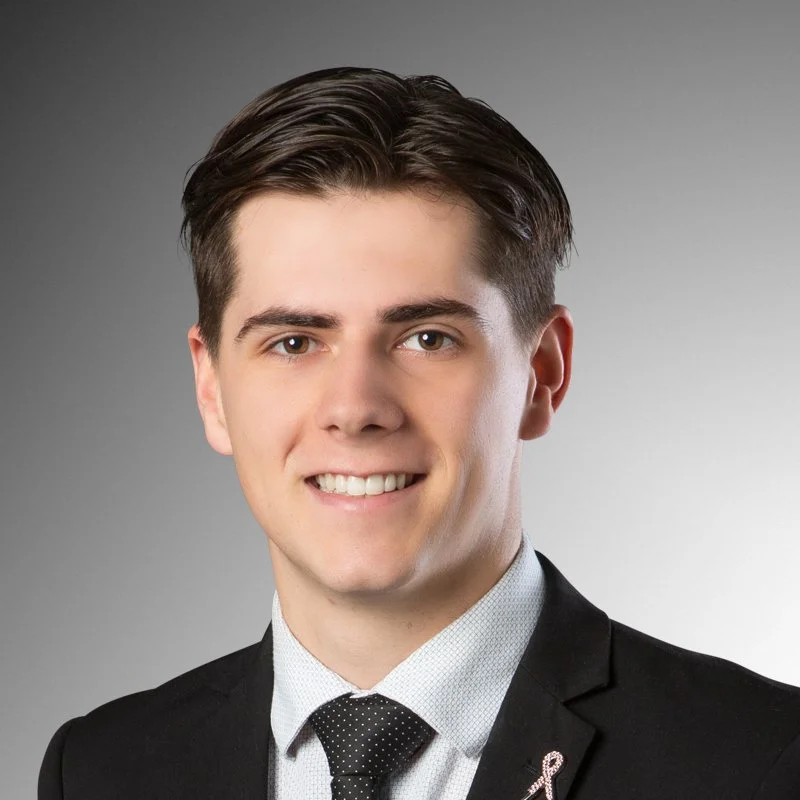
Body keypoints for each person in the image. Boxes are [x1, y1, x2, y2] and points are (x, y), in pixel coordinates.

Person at [39, 66, 800, 800]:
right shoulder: (102, 770)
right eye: (295, 343)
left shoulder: (760, 761)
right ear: (211, 389)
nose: (356, 407)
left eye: (427, 338)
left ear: (542, 373)